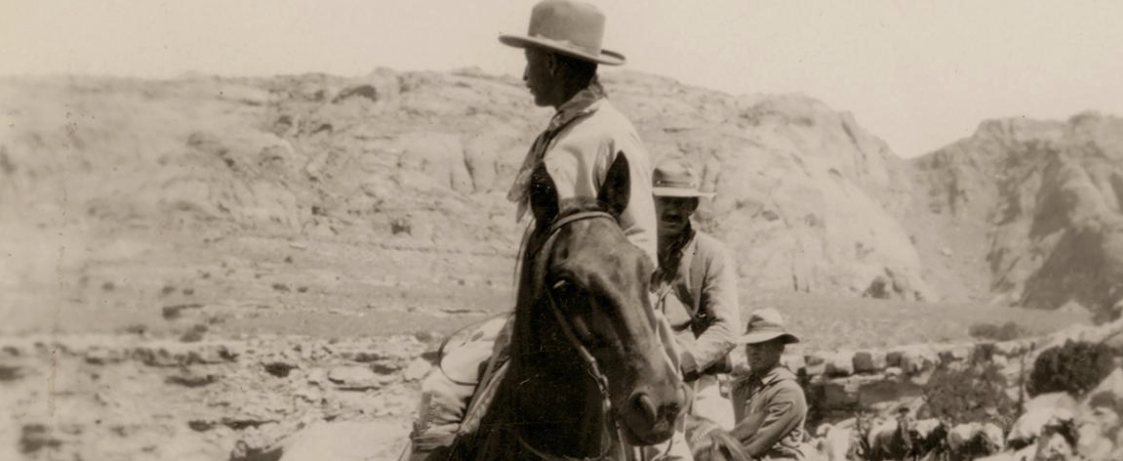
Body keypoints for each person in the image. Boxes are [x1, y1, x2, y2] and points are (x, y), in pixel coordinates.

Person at [406, 1, 690, 459]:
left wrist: (617, 304)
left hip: (614, 317)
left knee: (664, 431)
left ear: (553, 62)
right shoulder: (566, 129)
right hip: (554, 312)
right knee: (443, 392)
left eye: (529, 61)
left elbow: (638, 242)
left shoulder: (610, 132)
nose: (524, 75)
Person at [651, 157, 740, 430]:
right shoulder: (633, 251)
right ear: (650, 202)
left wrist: (681, 365)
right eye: (665, 200)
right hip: (642, 380)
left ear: (693, 206)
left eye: (681, 203)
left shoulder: (712, 254)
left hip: (698, 383)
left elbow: (726, 329)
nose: (672, 210)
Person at [729, 308, 808, 460]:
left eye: (762, 344)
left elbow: (755, 444)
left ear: (780, 348)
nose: (754, 351)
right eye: (750, 345)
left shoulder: (788, 391)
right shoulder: (741, 386)